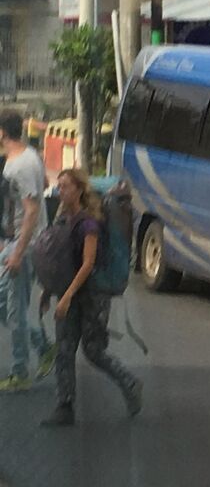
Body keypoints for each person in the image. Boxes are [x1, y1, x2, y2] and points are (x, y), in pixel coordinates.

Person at [40, 169, 142, 427]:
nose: (60, 191)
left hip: (92, 293)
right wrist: (49, 291)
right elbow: (59, 259)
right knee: (64, 349)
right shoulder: (64, 218)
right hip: (68, 291)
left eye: (65, 186)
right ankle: (65, 406)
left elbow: (87, 264)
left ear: (79, 190)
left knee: (94, 351)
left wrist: (67, 297)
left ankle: (129, 382)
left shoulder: (89, 223)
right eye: (59, 186)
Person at [0, 110, 56, 392]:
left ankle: (20, 371)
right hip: (19, 242)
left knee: (15, 312)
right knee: (7, 306)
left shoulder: (18, 165)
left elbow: (32, 209)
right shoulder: (29, 156)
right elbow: (44, 184)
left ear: (2, 133)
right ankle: (43, 346)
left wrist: (18, 253)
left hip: (25, 246)